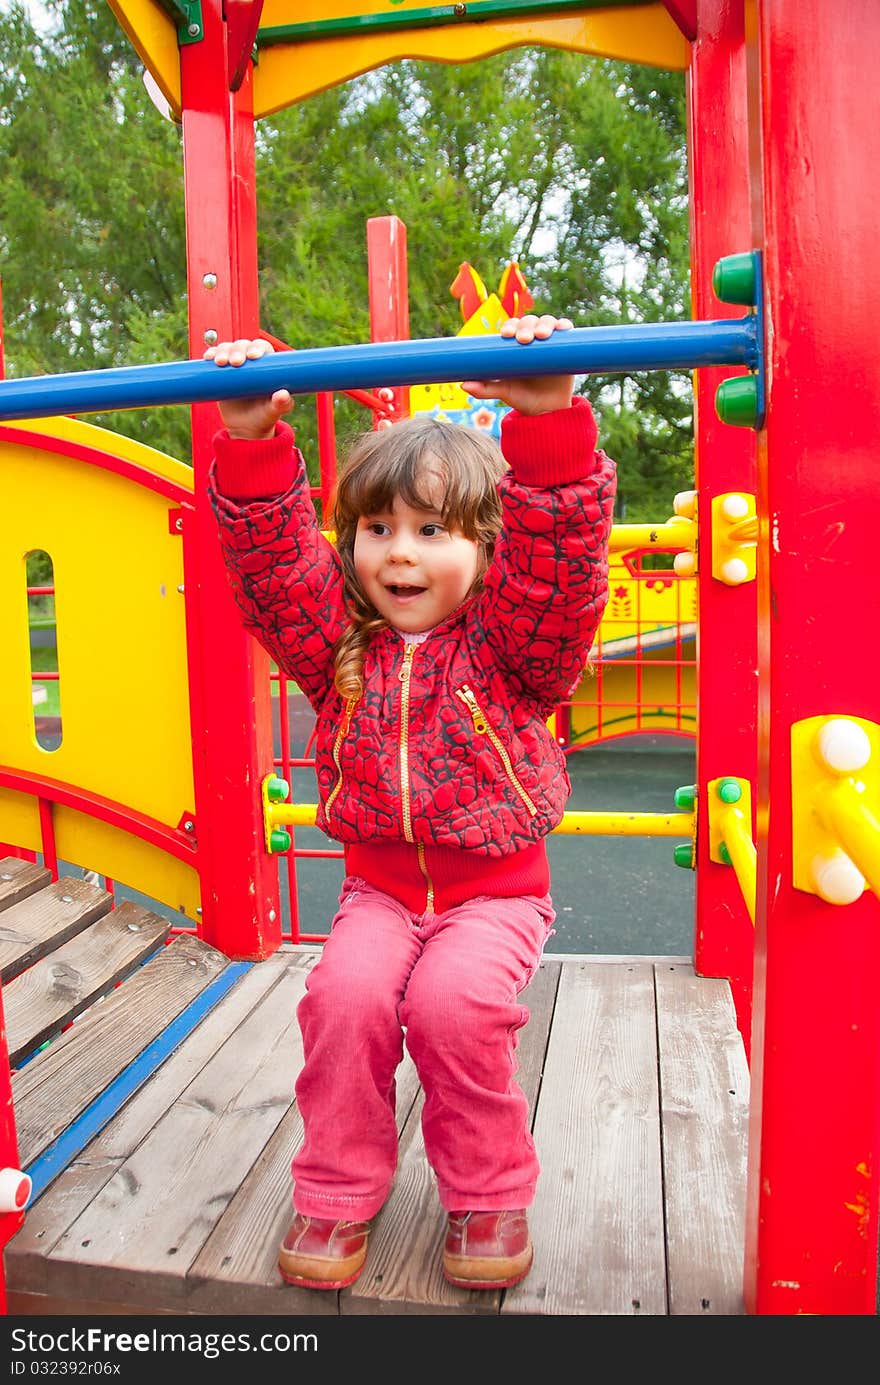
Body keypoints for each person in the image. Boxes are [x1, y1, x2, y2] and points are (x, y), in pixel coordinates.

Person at [205, 314, 617, 1293]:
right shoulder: (339, 645)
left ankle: (486, 1189)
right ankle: (337, 1188)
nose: (400, 553)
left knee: (454, 1005)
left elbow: (560, 573)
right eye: (377, 527)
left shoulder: (516, 650)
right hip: (379, 891)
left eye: (432, 532)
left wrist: (550, 427)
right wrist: (252, 439)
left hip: (491, 893)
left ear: (484, 546)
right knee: (341, 999)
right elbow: (270, 573)